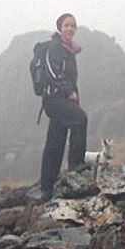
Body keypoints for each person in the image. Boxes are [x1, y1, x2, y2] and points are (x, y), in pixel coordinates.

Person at [40, 13, 88, 201]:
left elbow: (69, 77)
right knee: (80, 119)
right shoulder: (55, 46)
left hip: (63, 100)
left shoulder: (70, 50)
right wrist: (69, 92)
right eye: (67, 25)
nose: (70, 29)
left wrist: (73, 96)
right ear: (60, 27)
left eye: (73, 26)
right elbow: (52, 70)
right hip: (54, 99)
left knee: (55, 140)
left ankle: (47, 187)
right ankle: (76, 165)